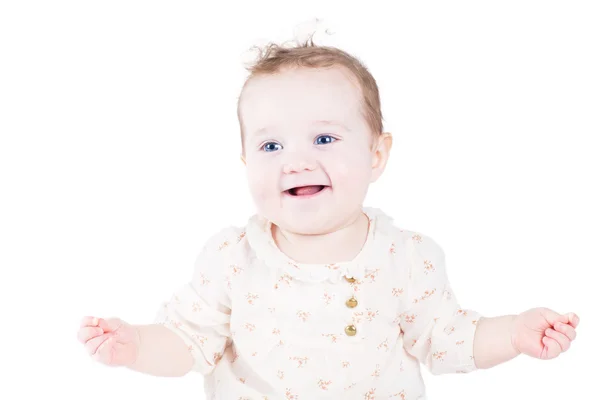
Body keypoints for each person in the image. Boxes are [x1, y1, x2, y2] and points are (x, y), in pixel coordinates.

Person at [77, 35, 579, 399]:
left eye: (324, 139)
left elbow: (449, 340)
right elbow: (188, 344)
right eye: (271, 144)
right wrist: (137, 344)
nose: (295, 160)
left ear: (376, 155)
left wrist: (513, 333)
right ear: (247, 164)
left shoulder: (406, 257)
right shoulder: (232, 258)